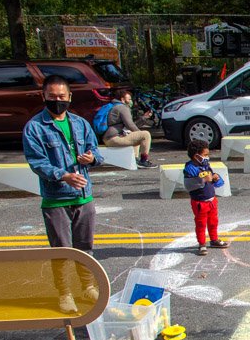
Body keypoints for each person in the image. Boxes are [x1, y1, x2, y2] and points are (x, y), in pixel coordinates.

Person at [22, 74, 105, 314]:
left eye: (61, 97)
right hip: (56, 198)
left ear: (70, 97)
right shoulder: (35, 127)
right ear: (44, 97)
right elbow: (37, 162)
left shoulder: (80, 124)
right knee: (61, 251)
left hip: (83, 196)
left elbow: (96, 152)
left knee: (85, 247)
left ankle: (87, 286)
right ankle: (65, 293)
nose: (57, 101)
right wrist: (63, 175)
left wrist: (92, 159)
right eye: (52, 97)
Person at [183, 139, 228, 256]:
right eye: (205, 155)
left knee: (213, 221)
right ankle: (202, 244)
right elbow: (191, 182)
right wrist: (204, 178)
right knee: (201, 223)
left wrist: (215, 178)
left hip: (211, 200)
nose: (207, 157)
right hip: (200, 202)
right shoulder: (190, 168)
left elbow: (211, 177)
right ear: (196, 156)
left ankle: (214, 239)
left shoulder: (206, 165)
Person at [101, 88, 156, 167]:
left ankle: (135, 160)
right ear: (123, 99)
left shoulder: (115, 106)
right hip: (113, 138)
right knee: (145, 134)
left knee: (136, 136)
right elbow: (130, 125)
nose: (131, 101)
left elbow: (130, 125)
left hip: (109, 138)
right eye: (129, 99)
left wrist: (144, 118)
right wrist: (140, 133)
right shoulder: (122, 108)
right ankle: (143, 161)